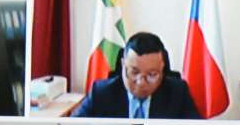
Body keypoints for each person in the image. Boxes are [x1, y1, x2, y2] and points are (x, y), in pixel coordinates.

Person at [74, 31, 202, 119]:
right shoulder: (101, 93)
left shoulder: (177, 93)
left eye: (152, 75)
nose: (141, 82)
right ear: (123, 64)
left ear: (162, 69)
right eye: (134, 72)